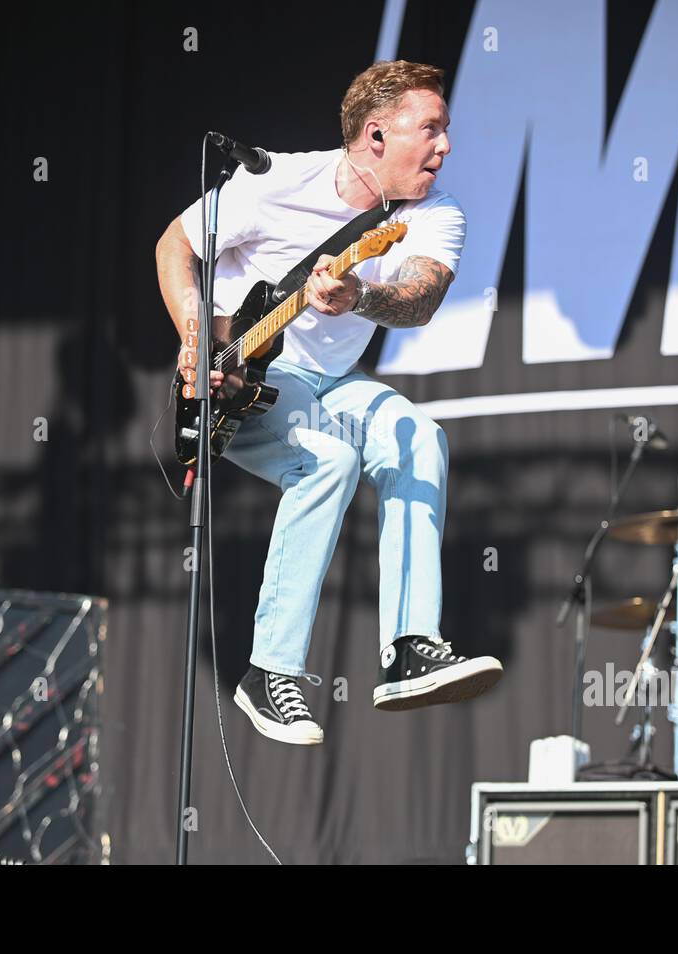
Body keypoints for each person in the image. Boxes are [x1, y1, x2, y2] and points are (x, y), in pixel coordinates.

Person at [155, 60, 502, 745]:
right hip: (246, 379)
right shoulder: (273, 182)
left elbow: (420, 297)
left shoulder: (434, 212)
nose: (446, 146)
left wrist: (361, 296)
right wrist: (196, 341)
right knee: (329, 461)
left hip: (336, 383)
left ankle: (408, 646)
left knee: (420, 437)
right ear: (376, 134)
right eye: (430, 129)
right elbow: (176, 245)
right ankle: (269, 672)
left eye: (446, 130)